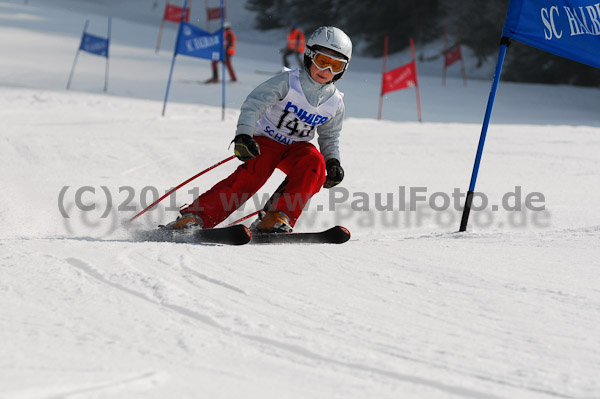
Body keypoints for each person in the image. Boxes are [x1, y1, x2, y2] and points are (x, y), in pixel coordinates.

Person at [169, 26, 352, 233]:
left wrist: (333, 162)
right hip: (267, 141)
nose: (326, 71)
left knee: (314, 164)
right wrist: (244, 135)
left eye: (336, 66)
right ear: (309, 56)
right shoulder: (289, 82)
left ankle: (276, 216)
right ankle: (197, 216)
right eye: (322, 61)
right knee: (254, 173)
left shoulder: (335, 102)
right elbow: (255, 104)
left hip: (296, 149)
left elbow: (330, 136)